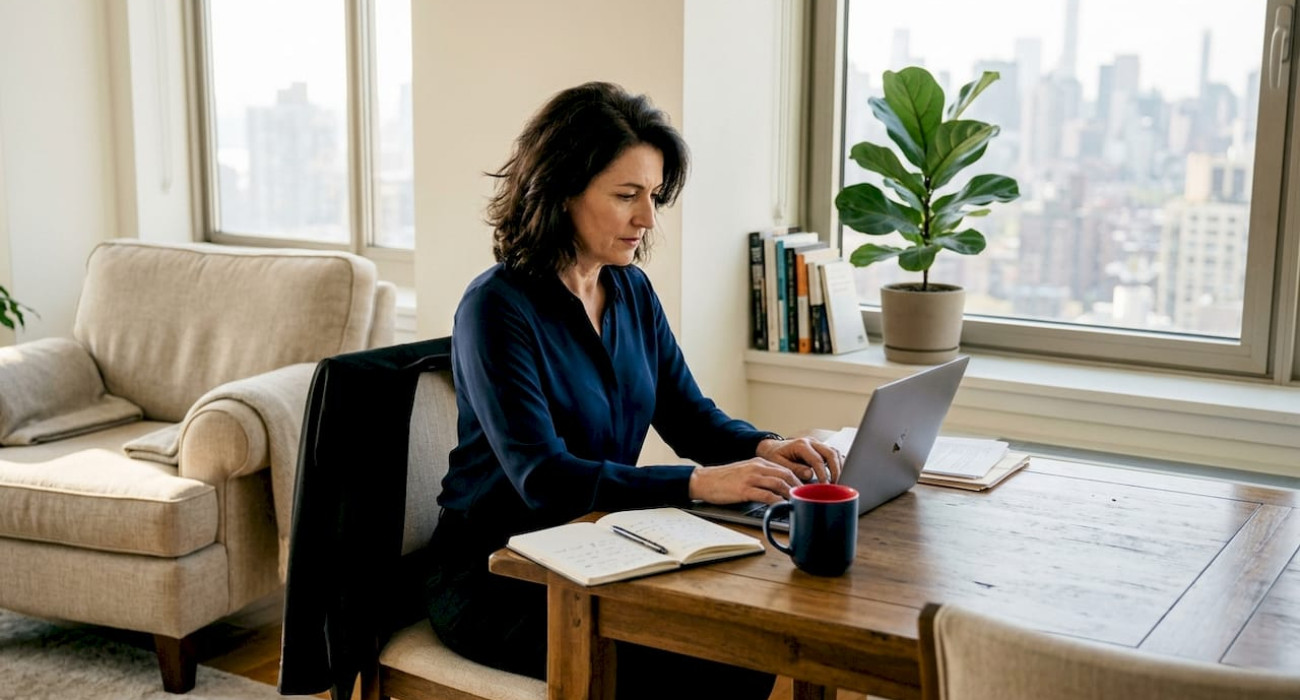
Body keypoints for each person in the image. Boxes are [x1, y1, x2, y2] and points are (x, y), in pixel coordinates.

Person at [422, 81, 843, 700]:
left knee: (748, 641)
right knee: (710, 663)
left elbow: (688, 416)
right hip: (499, 573)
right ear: (562, 191)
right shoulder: (495, 308)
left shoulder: (629, 291)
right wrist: (696, 483)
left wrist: (765, 447)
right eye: (627, 196)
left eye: (653, 196)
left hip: (597, 546)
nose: (646, 219)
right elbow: (542, 477)